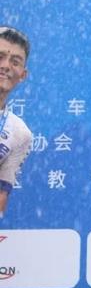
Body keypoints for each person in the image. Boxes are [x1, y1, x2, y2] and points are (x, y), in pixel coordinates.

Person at [0, 27, 32, 217]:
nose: (5, 66)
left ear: (22, 75)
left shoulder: (20, 133)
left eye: (15, 62)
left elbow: (1, 194)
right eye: (0, 57)